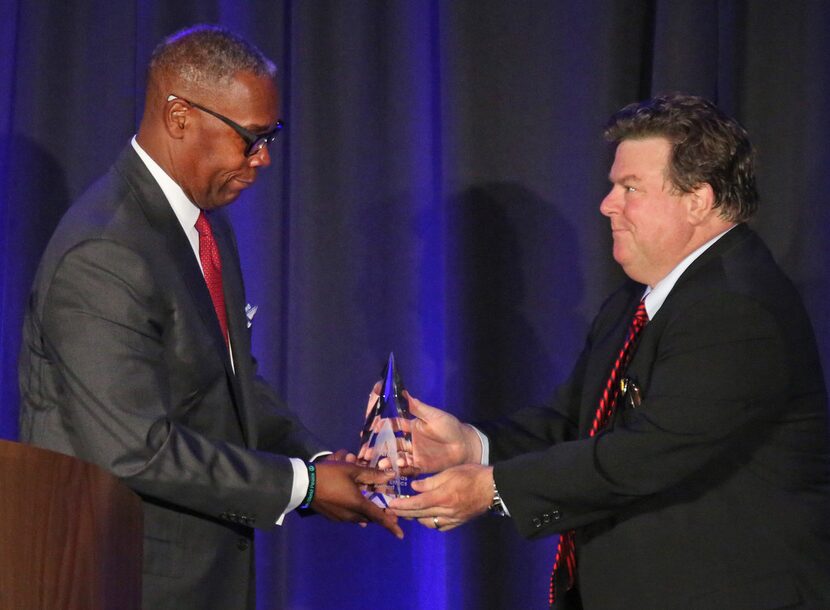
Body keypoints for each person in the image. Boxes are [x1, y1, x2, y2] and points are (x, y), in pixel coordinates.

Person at [390, 94, 830, 609]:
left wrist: (491, 489)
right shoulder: (639, 298)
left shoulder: (736, 308)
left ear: (698, 200)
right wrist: (470, 446)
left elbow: (645, 454)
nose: (607, 204)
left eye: (630, 188)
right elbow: (573, 423)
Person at [17, 25, 401, 610]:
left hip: (200, 573)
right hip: (122, 578)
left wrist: (318, 459)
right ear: (179, 117)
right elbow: (135, 449)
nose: (264, 158)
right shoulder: (104, 251)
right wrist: (303, 487)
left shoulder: (202, 221)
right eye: (250, 138)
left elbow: (231, 382)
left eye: (271, 136)